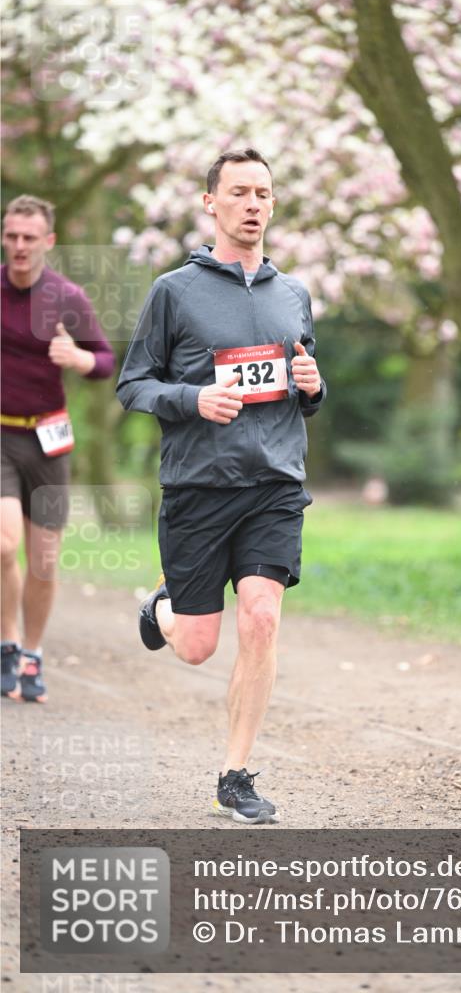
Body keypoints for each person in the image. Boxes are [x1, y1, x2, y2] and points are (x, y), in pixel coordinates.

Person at [116, 147, 326, 825]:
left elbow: (302, 387)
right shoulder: (173, 291)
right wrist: (193, 399)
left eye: (262, 192)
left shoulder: (293, 293)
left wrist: (313, 387)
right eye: (238, 192)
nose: (252, 204)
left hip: (275, 485)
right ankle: (162, 610)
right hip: (200, 488)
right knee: (197, 646)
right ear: (211, 203)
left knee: (261, 617)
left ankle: (234, 777)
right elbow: (134, 385)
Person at [1, 195, 116, 703]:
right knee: (4, 543)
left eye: (29, 237)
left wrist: (77, 358)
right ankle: (6, 642)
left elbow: (105, 360)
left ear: (48, 241)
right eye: (11, 236)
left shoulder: (67, 298)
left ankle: (32, 653)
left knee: (44, 561)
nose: (19, 245)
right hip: (1, 437)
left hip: (48, 441)